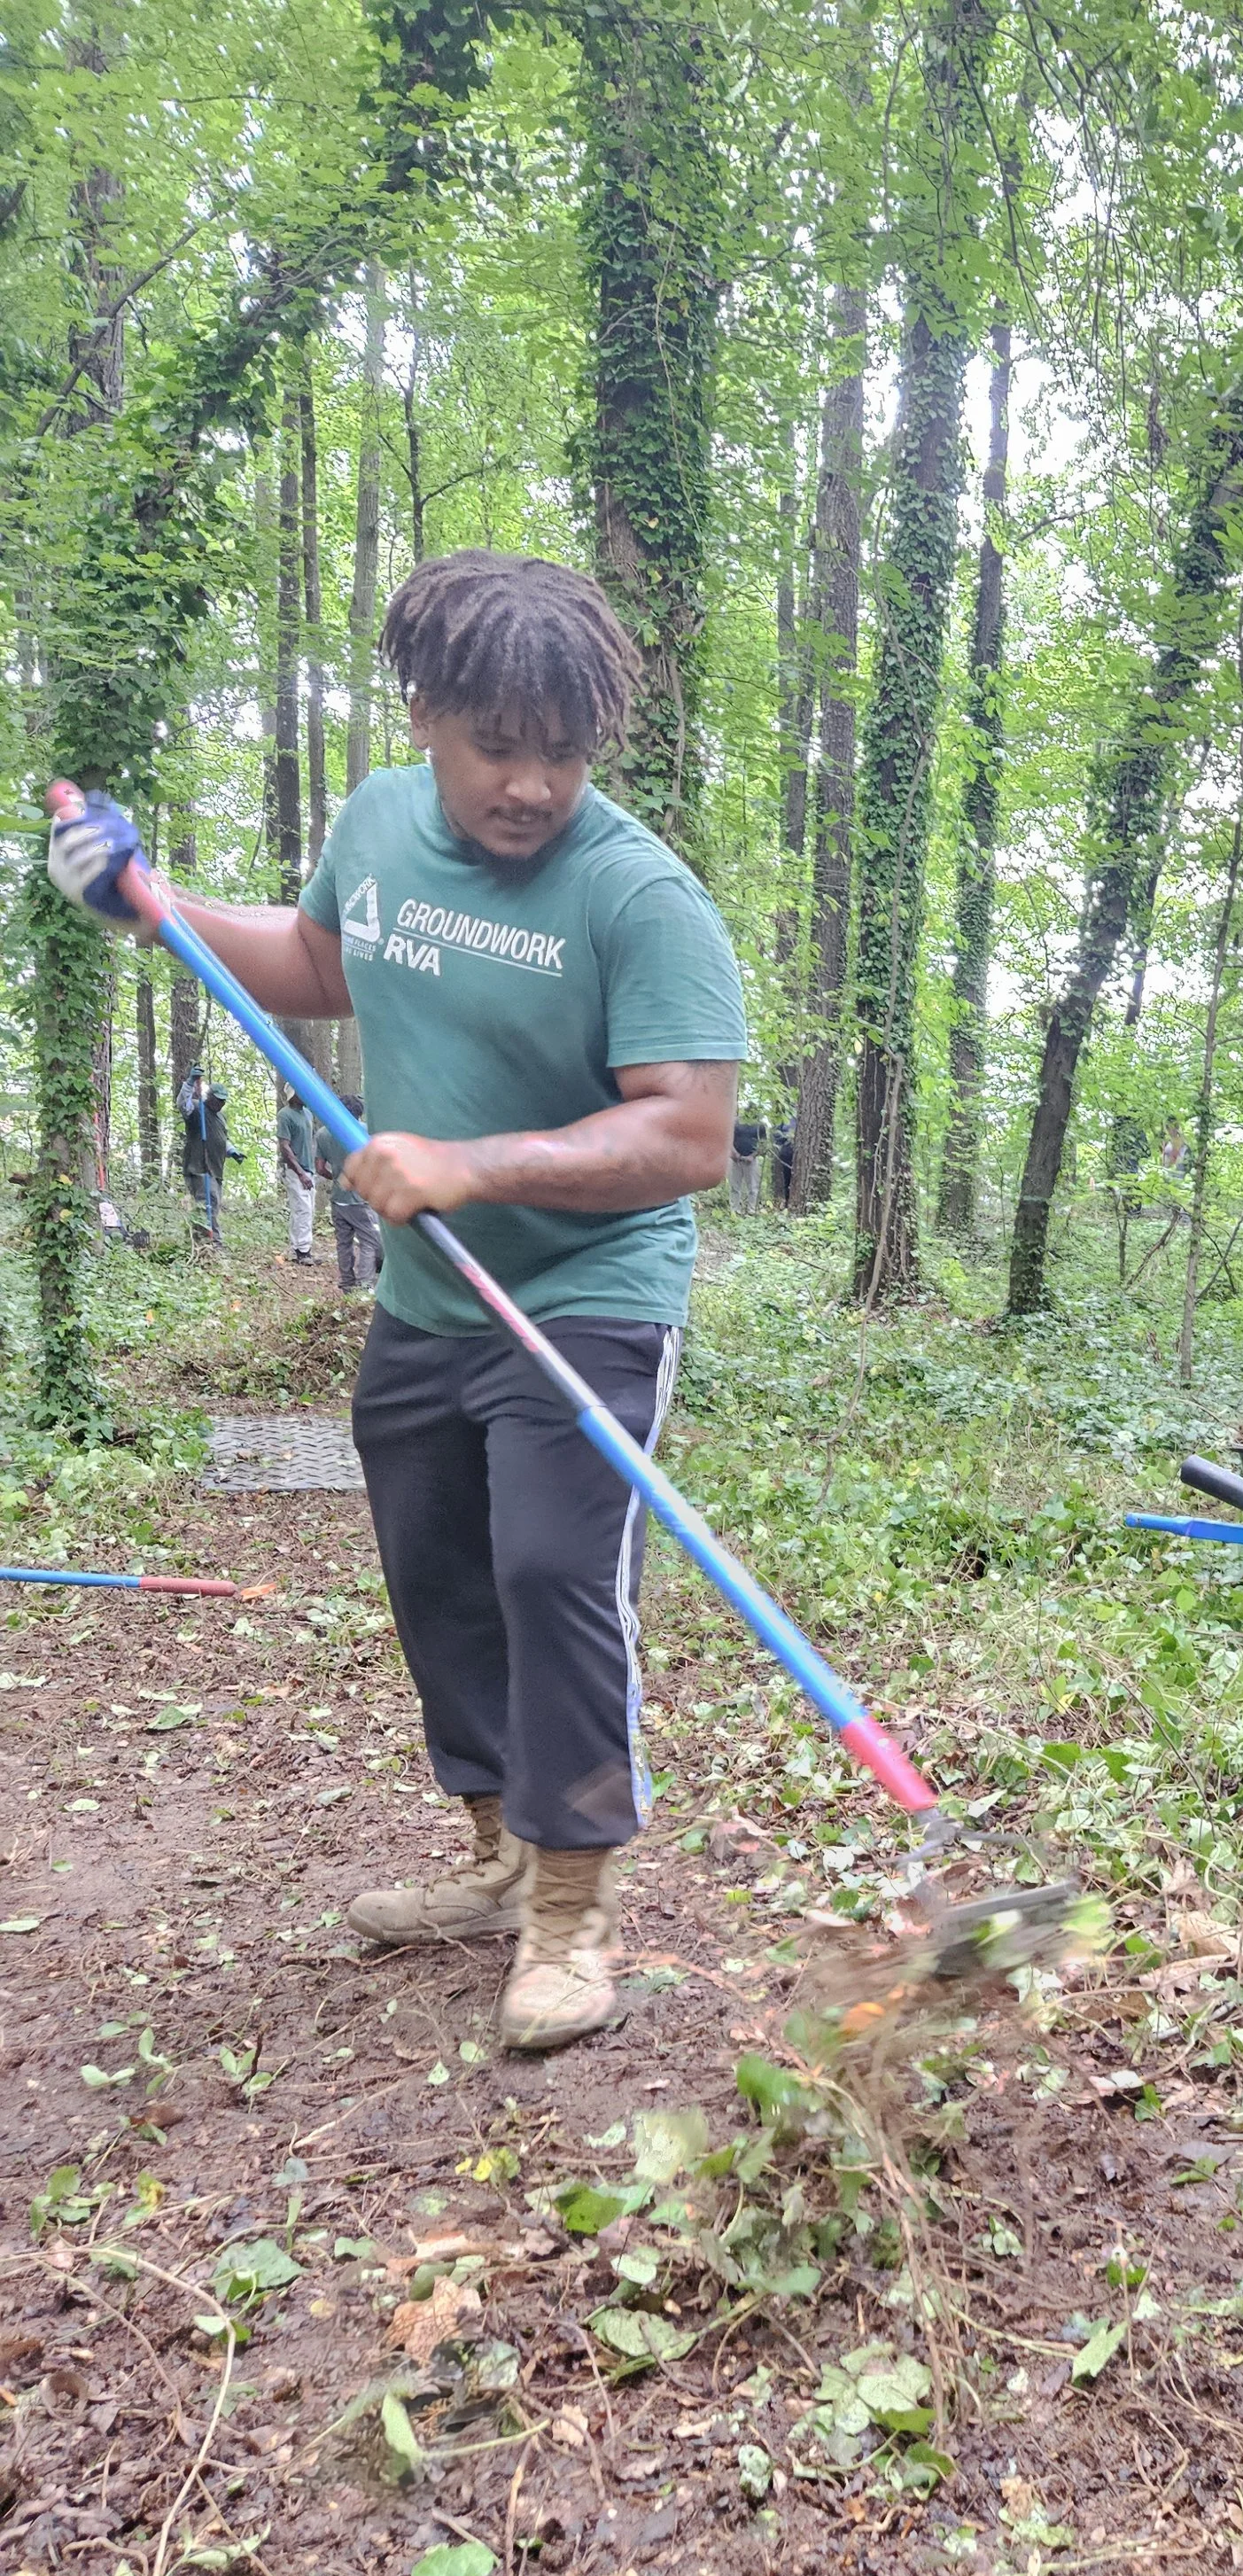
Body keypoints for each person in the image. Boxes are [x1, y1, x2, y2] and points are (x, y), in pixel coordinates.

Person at [49, 549, 750, 2055]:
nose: (533, 783)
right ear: (426, 711)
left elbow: (689, 1132)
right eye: (500, 744)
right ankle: (500, 1855)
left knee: (558, 1571)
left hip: (586, 1296)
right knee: (440, 1573)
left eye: (563, 752)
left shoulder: (636, 893)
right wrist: (148, 901)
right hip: (431, 1302)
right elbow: (314, 958)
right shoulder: (374, 822)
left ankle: (573, 1910)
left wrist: (470, 1159)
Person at [317, 1092, 384, 1296]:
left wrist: (335, 1177)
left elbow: (320, 1168)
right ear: (358, 1114)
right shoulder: (364, 1132)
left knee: (343, 1243)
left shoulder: (323, 1134)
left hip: (338, 1200)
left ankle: (347, 1284)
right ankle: (365, 1285)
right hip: (361, 1199)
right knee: (369, 1241)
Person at [177, 1071, 238, 1244]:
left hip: (216, 1168)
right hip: (200, 1167)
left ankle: (202, 1241)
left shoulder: (220, 1116)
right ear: (209, 1097)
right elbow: (182, 1104)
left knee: (214, 1204)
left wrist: (232, 1151)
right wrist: (189, 1083)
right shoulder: (197, 1109)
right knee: (207, 1204)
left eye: (223, 1101)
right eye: (218, 1100)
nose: (220, 1104)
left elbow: (220, 1138)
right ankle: (211, 1243)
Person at [278, 1086, 318, 1260]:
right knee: (303, 1209)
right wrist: (300, 1173)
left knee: (306, 1209)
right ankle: (303, 1251)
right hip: (296, 1170)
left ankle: (298, 1247)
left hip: (309, 1168)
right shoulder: (285, 1115)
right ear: (293, 1095)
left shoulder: (308, 1114)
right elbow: (285, 1146)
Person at [727, 1103, 766, 1213]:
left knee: (753, 1188)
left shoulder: (760, 1125)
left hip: (751, 1160)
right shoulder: (736, 1122)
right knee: (735, 1187)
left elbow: (763, 1144)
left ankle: (751, 1210)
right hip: (736, 1159)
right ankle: (735, 1210)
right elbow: (729, 1138)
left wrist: (752, 1156)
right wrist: (734, 1153)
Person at [770, 1117, 795, 1210]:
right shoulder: (786, 1116)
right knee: (787, 1179)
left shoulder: (805, 1117)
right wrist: (786, 1138)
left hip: (803, 1152)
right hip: (787, 1152)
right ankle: (788, 1202)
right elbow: (776, 1133)